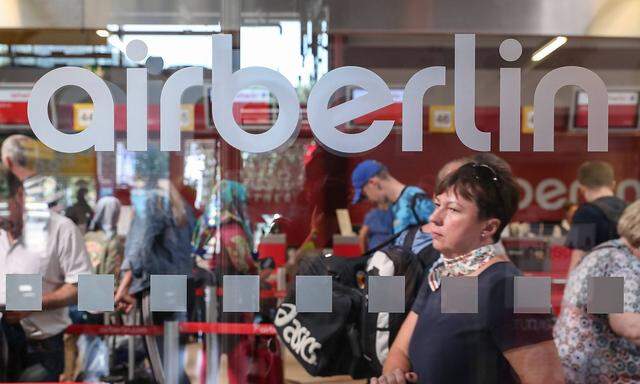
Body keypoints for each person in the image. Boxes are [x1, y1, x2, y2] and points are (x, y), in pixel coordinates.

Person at [371, 161, 564, 384]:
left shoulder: (513, 286)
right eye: (437, 205)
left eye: (453, 209)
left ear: (489, 227)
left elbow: (549, 379)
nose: (435, 218)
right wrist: (395, 376)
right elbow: (401, 352)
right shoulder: (445, 276)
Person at [0, 164, 92, 382]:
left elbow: (83, 286)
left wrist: (34, 303)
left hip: (41, 349)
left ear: (20, 196)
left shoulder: (60, 229)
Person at [115, 179, 195, 384]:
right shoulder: (182, 209)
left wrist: (124, 288)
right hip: (183, 287)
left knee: (162, 366)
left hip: (158, 288)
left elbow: (139, 249)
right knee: (173, 362)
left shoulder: (152, 203)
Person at [554, 200, 640, 383]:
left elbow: (603, 310)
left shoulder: (606, 254)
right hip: (599, 373)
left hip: (575, 368)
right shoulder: (618, 262)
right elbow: (626, 324)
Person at [566, 161, 627, 271]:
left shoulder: (585, 213)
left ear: (582, 188)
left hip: (598, 281)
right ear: (613, 184)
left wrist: (570, 285)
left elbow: (579, 256)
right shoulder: (630, 210)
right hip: (630, 282)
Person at [351, 160, 435, 234]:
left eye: (365, 194)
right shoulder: (394, 205)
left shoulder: (415, 199)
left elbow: (439, 235)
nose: (370, 199)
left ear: (373, 182)